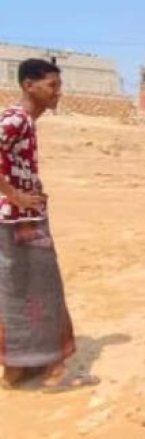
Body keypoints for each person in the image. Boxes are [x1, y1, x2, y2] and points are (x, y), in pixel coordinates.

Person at [0, 59, 99, 391]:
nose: (58, 92)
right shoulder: (16, 118)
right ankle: (51, 370)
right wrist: (16, 195)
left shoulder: (23, 121)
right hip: (19, 221)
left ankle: (19, 368)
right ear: (29, 85)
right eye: (52, 85)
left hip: (17, 218)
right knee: (41, 289)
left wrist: (30, 187)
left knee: (19, 290)